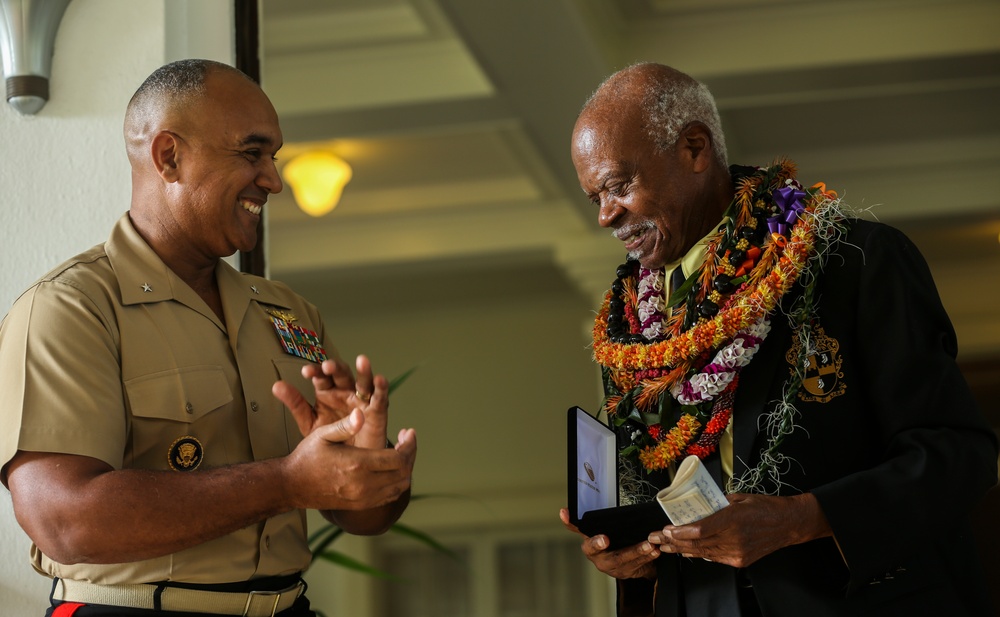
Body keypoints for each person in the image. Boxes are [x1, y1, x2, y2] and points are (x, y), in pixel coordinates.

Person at [559, 62, 998, 616]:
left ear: (695, 149)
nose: (604, 216)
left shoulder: (854, 262)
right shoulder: (630, 326)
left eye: (619, 186)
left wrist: (803, 519)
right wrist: (630, 557)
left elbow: (960, 455)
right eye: (594, 195)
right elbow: (655, 497)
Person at [0, 59, 417, 617]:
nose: (273, 179)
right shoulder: (70, 308)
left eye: (274, 158)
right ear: (168, 156)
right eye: (252, 153)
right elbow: (65, 520)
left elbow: (362, 514)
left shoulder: (289, 314)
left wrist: (366, 468)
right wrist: (289, 482)